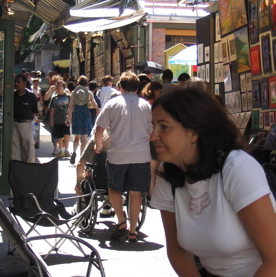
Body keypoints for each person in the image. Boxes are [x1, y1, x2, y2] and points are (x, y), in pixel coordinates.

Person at [150, 87, 276, 277]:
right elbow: (177, 251)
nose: (153, 136)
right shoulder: (169, 174)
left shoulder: (237, 168)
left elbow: (273, 260)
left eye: (163, 127)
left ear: (193, 133)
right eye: (153, 126)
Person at [95, 71, 152, 242]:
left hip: (118, 154)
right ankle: (133, 230)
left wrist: (98, 145)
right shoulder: (146, 105)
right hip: (141, 155)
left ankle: (121, 220)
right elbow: (151, 130)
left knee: (114, 188)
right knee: (136, 193)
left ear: (120, 87)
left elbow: (99, 128)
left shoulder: (113, 104)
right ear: (137, 87)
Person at [68, 75, 98, 164]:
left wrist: (69, 117)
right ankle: (81, 158)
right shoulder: (89, 93)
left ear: (78, 83)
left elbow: (70, 106)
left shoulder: (74, 93)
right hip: (86, 116)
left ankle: (74, 152)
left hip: (77, 115)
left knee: (76, 138)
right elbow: (95, 106)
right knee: (84, 138)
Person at [12, 74, 38, 163]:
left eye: (18, 82)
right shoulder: (12, 96)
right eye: (15, 82)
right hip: (14, 124)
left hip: (26, 124)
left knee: (28, 148)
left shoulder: (31, 96)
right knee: (14, 149)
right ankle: (16, 168)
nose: (16, 84)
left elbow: (35, 112)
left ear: (24, 83)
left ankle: (28, 168)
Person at [49, 80, 71, 159]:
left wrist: (69, 117)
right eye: (57, 86)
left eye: (60, 86)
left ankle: (66, 150)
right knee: (58, 135)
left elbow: (71, 107)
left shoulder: (68, 96)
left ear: (64, 87)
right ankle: (61, 150)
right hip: (57, 119)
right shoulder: (54, 98)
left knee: (66, 134)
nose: (59, 87)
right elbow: (52, 109)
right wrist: (51, 119)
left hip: (66, 119)